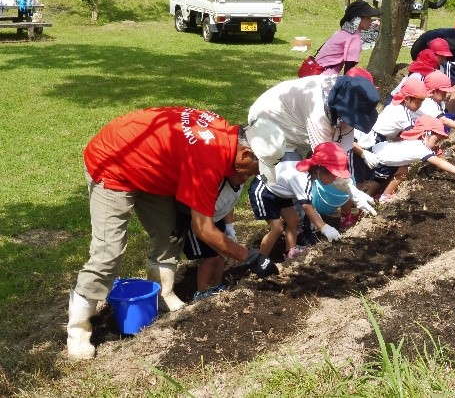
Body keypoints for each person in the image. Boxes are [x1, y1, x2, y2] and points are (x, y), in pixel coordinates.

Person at [67, 109, 285, 359]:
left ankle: (162, 294)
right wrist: (252, 257)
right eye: (254, 169)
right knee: (108, 252)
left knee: (170, 233)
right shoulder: (208, 160)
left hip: (149, 169)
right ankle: (78, 329)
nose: (250, 175)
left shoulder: (226, 134)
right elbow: (203, 228)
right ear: (246, 153)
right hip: (112, 163)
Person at [247, 75, 380, 216]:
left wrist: (351, 187)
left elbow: (339, 153)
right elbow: (326, 158)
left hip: (294, 119)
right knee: (292, 175)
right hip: (270, 121)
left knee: (308, 172)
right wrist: (352, 191)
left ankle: (302, 218)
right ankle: (296, 221)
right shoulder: (318, 111)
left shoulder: (345, 97)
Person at [365, 115, 455, 201]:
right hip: (377, 163)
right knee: (394, 174)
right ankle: (379, 196)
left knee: (403, 169)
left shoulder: (410, 139)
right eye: (436, 141)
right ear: (424, 135)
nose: (436, 145)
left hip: (377, 155)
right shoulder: (419, 148)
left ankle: (380, 193)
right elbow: (439, 163)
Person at [172, 179, 244, 302]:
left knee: (220, 255)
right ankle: (202, 292)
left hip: (216, 219)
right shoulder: (219, 187)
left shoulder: (237, 185)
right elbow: (199, 221)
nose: (246, 177)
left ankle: (217, 286)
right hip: (197, 222)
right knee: (210, 258)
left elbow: (229, 205)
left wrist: (229, 226)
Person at [314, 0, 382, 75]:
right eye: (368, 18)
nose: (371, 21)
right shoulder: (354, 37)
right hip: (325, 77)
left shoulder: (342, 32)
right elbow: (349, 68)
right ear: (358, 19)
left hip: (316, 71)